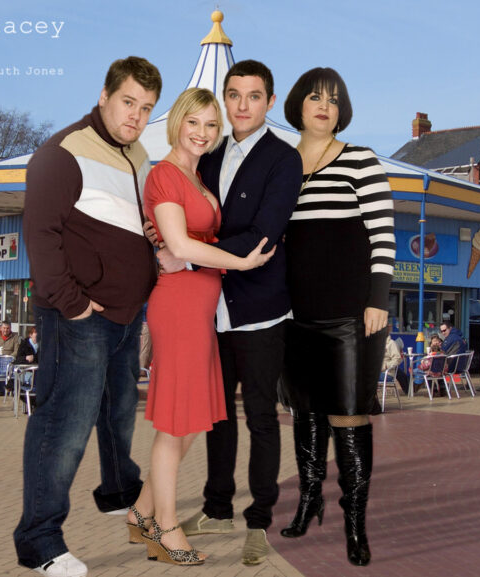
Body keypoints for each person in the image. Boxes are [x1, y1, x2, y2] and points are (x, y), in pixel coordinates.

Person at [14, 56, 162, 577]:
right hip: (79, 316)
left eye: (146, 109)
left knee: (119, 412)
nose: (136, 117)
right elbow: (41, 235)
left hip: (126, 315)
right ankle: (39, 540)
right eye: (128, 103)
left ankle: (119, 491)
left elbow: (134, 222)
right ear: (104, 95)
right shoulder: (62, 152)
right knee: (64, 424)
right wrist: (72, 303)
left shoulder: (139, 154)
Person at [126, 87, 275, 566]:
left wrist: (184, 247)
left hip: (200, 311)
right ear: (178, 123)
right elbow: (181, 246)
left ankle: (142, 512)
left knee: (190, 423)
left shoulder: (198, 174)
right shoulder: (164, 174)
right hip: (179, 308)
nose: (203, 133)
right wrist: (240, 262)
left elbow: (184, 242)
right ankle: (166, 530)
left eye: (212, 125)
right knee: (174, 426)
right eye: (195, 123)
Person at [172, 60, 302, 567]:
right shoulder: (210, 154)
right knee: (216, 414)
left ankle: (259, 520)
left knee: (261, 416)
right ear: (223, 101)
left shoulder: (282, 159)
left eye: (253, 96)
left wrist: (190, 251)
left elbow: (266, 235)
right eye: (234, 95)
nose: (242, 105)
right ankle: (217, 507)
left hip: (261, 309)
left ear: (269, 102)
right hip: (211, 306)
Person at [278, 67, 395, 566]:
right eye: (314, 97)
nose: (323, 105)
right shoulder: (280, 166)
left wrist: (377, 300)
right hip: (292, 315)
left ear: (341, 108)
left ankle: (354, 522)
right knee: (304, 412)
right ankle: (309, 500)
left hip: (350, 315)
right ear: (298, 106)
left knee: (349, 415)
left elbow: (383, 235)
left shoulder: (360, 160)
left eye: (333, 98)